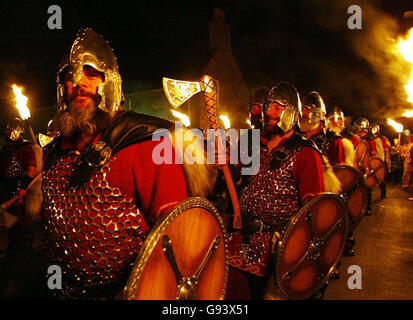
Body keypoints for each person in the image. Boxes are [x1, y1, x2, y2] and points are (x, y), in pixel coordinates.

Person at [41, 28, 216, 299]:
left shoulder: (144, 144)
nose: (79, 82)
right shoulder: (53, 154)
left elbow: (180, 245)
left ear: (109, 82)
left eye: (91, 73)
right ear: (60, 87)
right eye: (69, 76)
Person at [225, 81, 326, 300]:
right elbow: (232, 181)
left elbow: (315, 214)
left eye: (278, 107)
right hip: (241, 240)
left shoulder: (306, 153)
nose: (269, 112)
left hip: (278, 248)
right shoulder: (253, 144)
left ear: (292, 113)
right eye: (268, 106)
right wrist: (221, 163)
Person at [0, 118, 39, 254]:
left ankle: (26, 247)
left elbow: (31, 169)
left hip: (19, 187)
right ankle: (14, 244)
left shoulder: (26, 148)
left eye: (9, 129)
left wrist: (23, 188)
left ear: (16, 131)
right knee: (9, 219)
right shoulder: (7, 148)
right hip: (6, 186)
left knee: (21, 219)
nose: (6, 132)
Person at [351, 117, 372, 215]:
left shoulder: (367, 142)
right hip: (355, 170)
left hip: (356, 170)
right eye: (362, 129)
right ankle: (365, 208)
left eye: (364, 130)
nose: (363, 132)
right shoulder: (355, 140)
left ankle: (365, 207)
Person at [368, 123, 391, 198]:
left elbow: (386, 151)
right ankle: (369, 193)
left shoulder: (382, 139)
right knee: (370, 177)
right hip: (371, 161)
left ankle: (383, 192)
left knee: (381, 178)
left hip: (381, 161)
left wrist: (387, 162)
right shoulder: (369, 139)